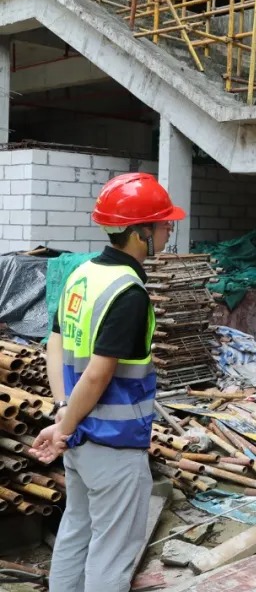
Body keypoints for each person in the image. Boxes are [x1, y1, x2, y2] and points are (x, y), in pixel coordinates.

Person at [30, 173, 184, 592]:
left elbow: (55, 344)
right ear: (140, 233)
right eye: (163, 224)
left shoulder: (81, 275)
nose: (168, 231)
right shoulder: (128, 292)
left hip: (79, 437)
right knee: (112, 552)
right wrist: (63, 427)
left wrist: (64, 414)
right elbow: (99, 373)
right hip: (113, 444)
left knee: (76, 531)